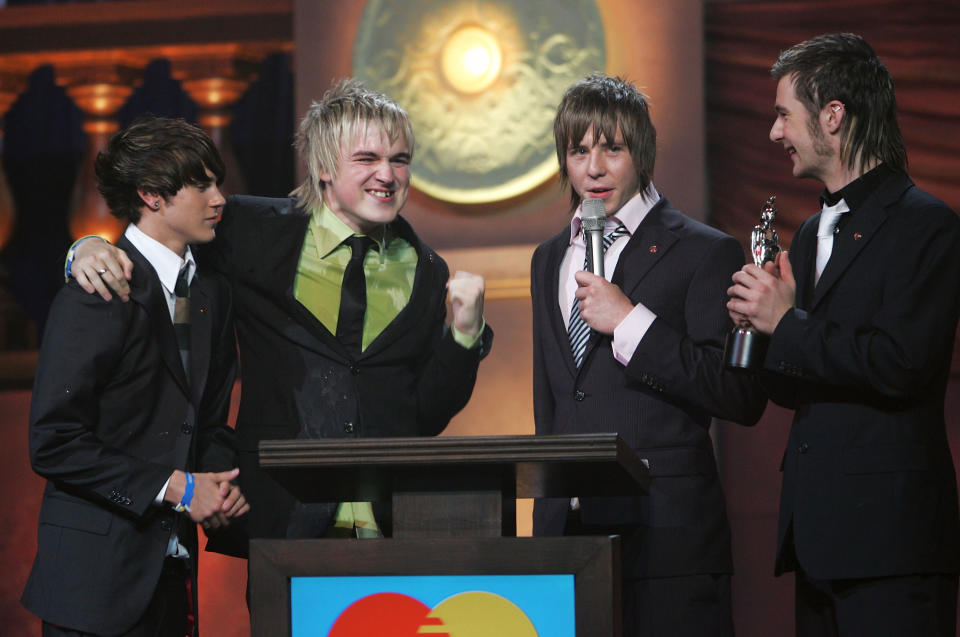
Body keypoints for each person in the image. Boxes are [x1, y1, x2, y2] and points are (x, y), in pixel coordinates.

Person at [68, 79, 492, 546]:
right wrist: (85, 247)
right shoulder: (247, 230)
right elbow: (154, 239)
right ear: (324, 167)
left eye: (400, 160)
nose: (387, 176)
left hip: (391, 526)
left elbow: (425, 416)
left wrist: (465, 336)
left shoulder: (428, 270)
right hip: (282, 520)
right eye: (368, 159)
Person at [727, 33, 960, 637]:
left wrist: (788, 323)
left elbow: (902, 363)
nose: (774, 134)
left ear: (833, 116)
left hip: (892, 547)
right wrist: (762, 330)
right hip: (818, 542)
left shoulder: (927, 226)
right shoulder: (808, 236)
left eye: (784, 115)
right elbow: (798, 384)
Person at [531, 73, 766, 636]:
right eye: (579, 150)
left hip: (669, 542)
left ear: (642, 152)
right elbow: (553, 405)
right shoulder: (547, 260)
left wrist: (631, 322)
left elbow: (737, 392)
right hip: (570, 542)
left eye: (612, 148)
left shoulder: (704, 250)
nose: (594, 168)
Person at [22, 116, 248, 637]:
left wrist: (217, 481)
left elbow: (205, 421)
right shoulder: (97, 290)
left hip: (173, 576)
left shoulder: (209, 292)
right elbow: (53, 442)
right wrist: (177, 487)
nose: (220, 198)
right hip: (92, 588)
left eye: (219, 182)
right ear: (151, 195)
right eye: (202, 185)